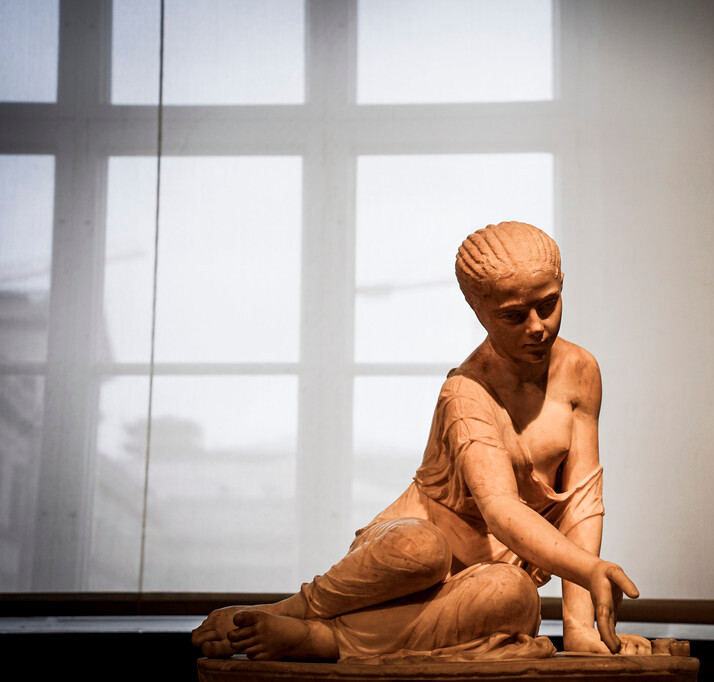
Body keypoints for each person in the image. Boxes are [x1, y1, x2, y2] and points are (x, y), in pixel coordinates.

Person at [191, 221, 651, 661]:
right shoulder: (466, 392)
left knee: (516, 594)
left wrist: (579, 627)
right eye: (513, 315)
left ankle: (322, 640)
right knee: (423, 551)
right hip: (406, 552)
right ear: (479, 311)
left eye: (548, 305)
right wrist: (588, 568)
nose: (537, 326)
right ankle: (295, 614)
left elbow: (581, 502)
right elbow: (501, 511)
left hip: (482, 578)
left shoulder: (580, 371)